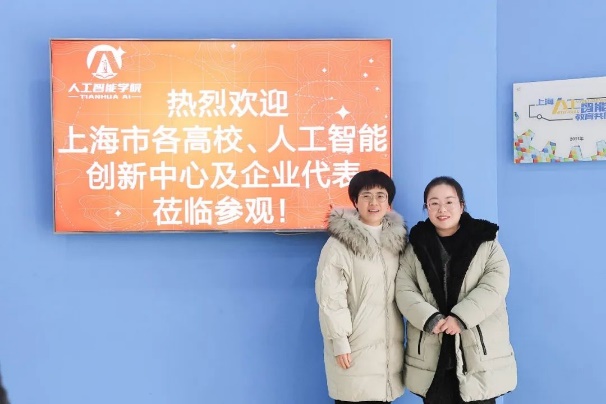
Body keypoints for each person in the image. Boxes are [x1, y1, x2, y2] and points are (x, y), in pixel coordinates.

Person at [395, 176, 517, 404]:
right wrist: (429, 318)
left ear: (462, 205)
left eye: (449, 202)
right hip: (433, 352)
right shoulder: (416, 246)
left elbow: (494, 285)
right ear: (426, 207)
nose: (442, 209)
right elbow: (404, 289)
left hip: (477, 352)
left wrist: (461, 318)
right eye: (434, 203)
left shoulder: (485, 242)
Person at [315, 169, 407, 404]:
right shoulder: (339, 245)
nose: (373, 202)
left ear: (389, 202)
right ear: (355, 201)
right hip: (354, 350)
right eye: (366, 196)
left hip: (389, 355)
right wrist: (339, 342)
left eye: (380, 196)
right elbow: (330, 298)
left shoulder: (396, 242)